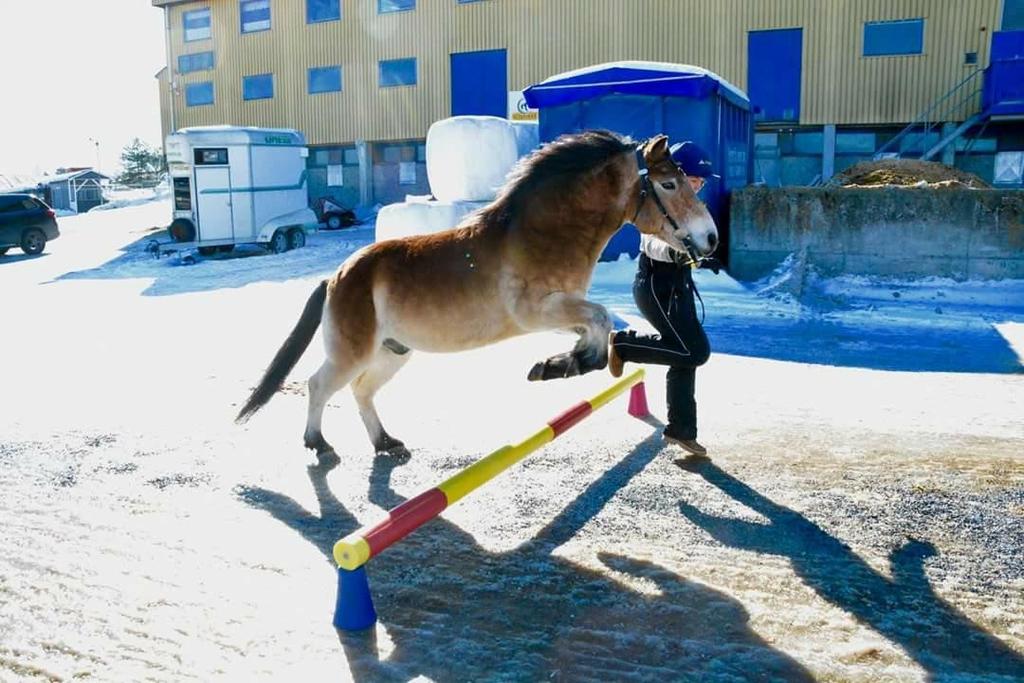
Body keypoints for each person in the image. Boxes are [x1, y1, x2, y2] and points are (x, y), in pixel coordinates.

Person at [607, 141, 720, 456]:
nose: (698, 186)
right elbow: (650, 243)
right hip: (655, 284)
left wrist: (706, 256)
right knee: (695, 350)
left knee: (686, 355)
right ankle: (623, 344)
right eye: (694, 179)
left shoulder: (689, 205)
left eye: (701, 181)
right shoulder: (661, 198)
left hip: (677, 287)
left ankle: (682, 430)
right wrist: (681, 252)